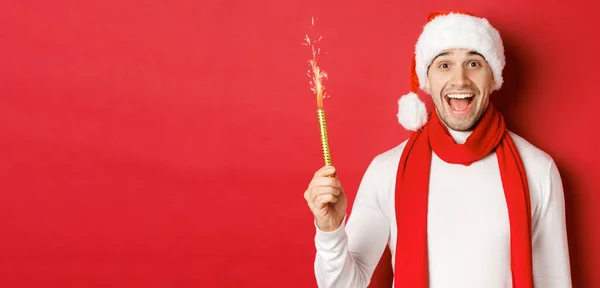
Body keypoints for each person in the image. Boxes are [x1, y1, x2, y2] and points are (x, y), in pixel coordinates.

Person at [303, 10, 572, 288]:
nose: (460, 80)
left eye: (474, 63)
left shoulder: (538, 169)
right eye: (444, 65)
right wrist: (330, 231)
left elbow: (555, 281)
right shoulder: (387, 170)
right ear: (427, 81)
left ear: (493, 77)